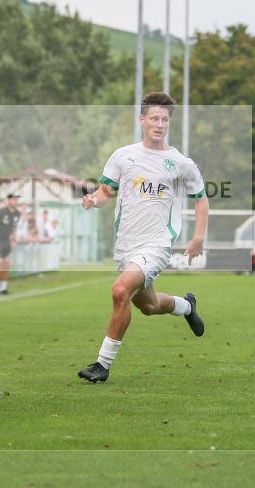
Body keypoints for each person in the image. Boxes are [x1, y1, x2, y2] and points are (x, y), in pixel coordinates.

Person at [77, 92, 207, 383]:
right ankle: (186, 306)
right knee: (148, 307)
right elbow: (105, 193)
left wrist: (198, 236)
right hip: (126, 246)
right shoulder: (123, 155)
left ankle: (102, 364)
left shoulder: (180, 163)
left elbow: (201, 198)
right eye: (154, 118)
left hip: (156, 244)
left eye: (164, 119)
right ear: (142, 120)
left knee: (119, 291)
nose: (159, 123)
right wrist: (92, 201)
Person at [0, 193, 21, 295]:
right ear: (9, 201)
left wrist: (14, 238)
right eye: (14, 199)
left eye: (16, 199)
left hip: (7, 241)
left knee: (6, 264)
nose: (16, 201)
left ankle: (3, 288)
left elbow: (14, 227)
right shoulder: (2, 212)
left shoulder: (17, 214)